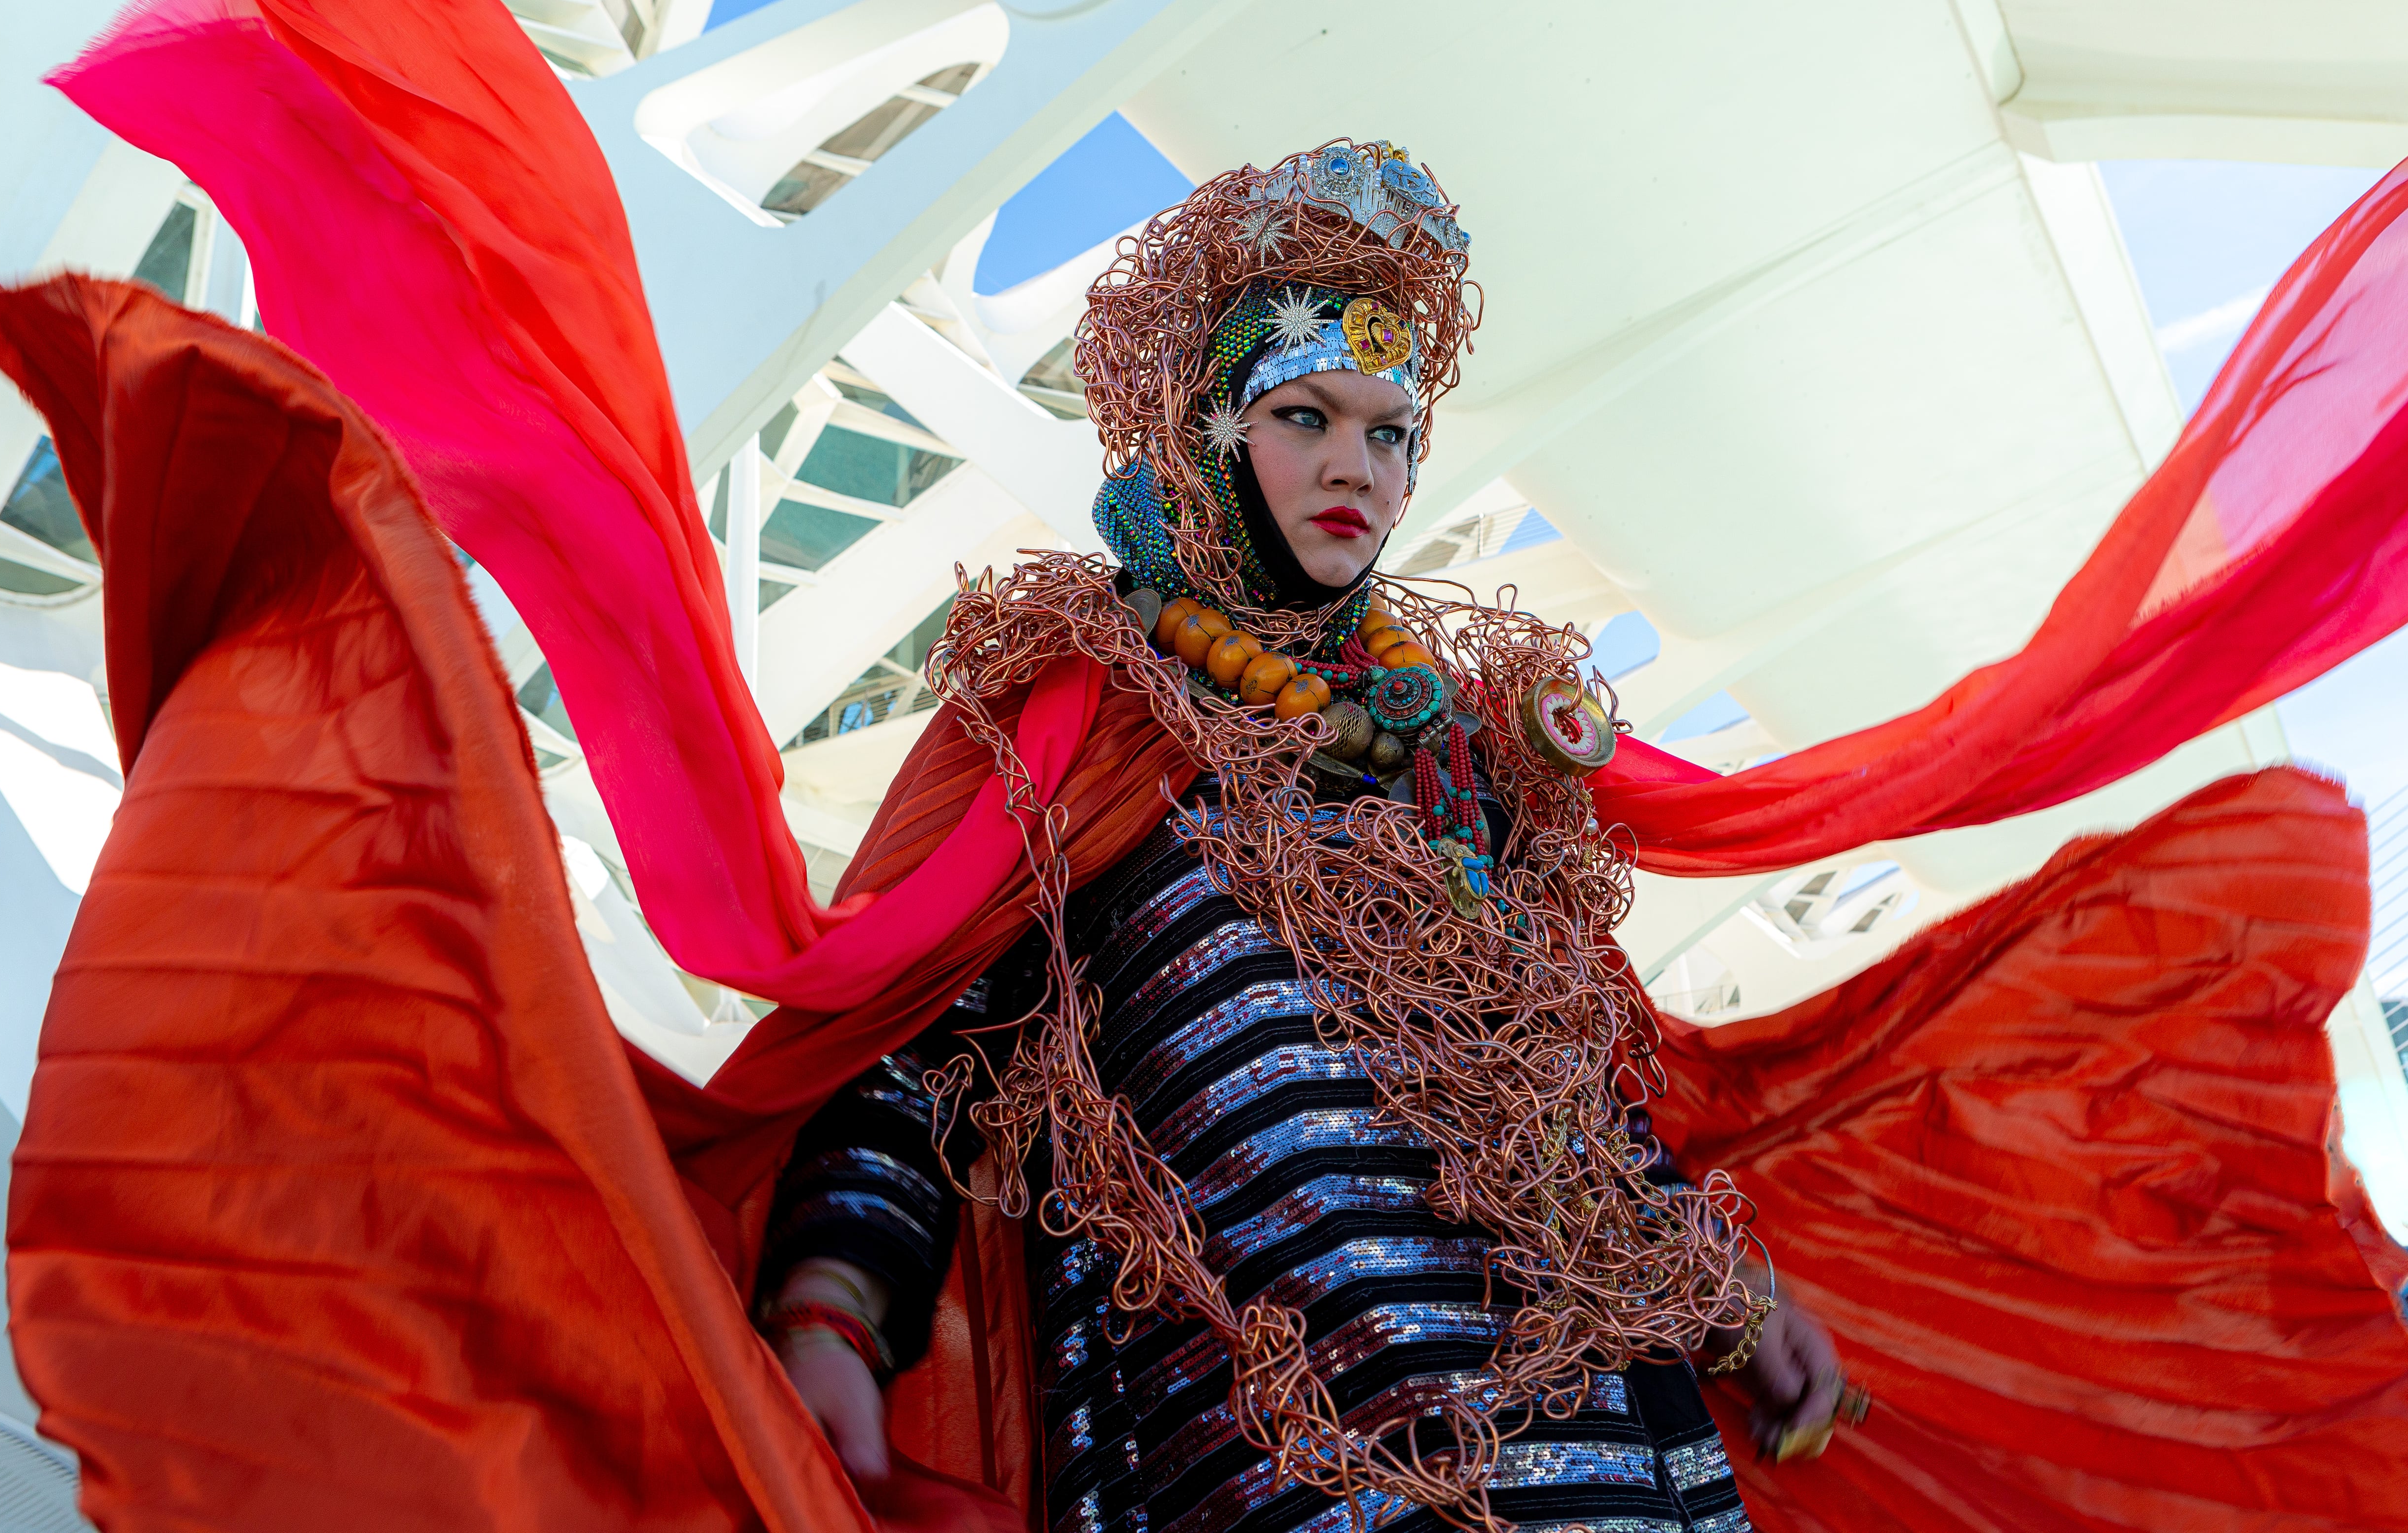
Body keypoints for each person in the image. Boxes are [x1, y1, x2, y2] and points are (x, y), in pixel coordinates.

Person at [758, 142, 1844, 1533]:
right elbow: (914, 1052)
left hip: (1598, 1460)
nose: (1357, 466)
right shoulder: (1081, 717)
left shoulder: (1457, 751)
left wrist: (1736, 1300)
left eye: (1389, 432)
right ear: (1205, 426)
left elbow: (1566, 1103)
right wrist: (832, 1305)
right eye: (1305, 415)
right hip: (1283, 1465)